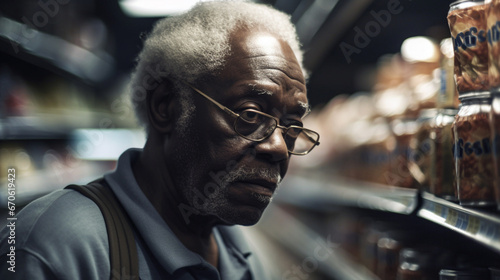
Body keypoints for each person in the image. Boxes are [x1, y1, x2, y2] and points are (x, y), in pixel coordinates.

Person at [0, 1, 320, 279]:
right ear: (165, 105)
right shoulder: (53, 249)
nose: (279, 148)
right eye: (250, 115)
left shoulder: (243, 257)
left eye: (292, 127)